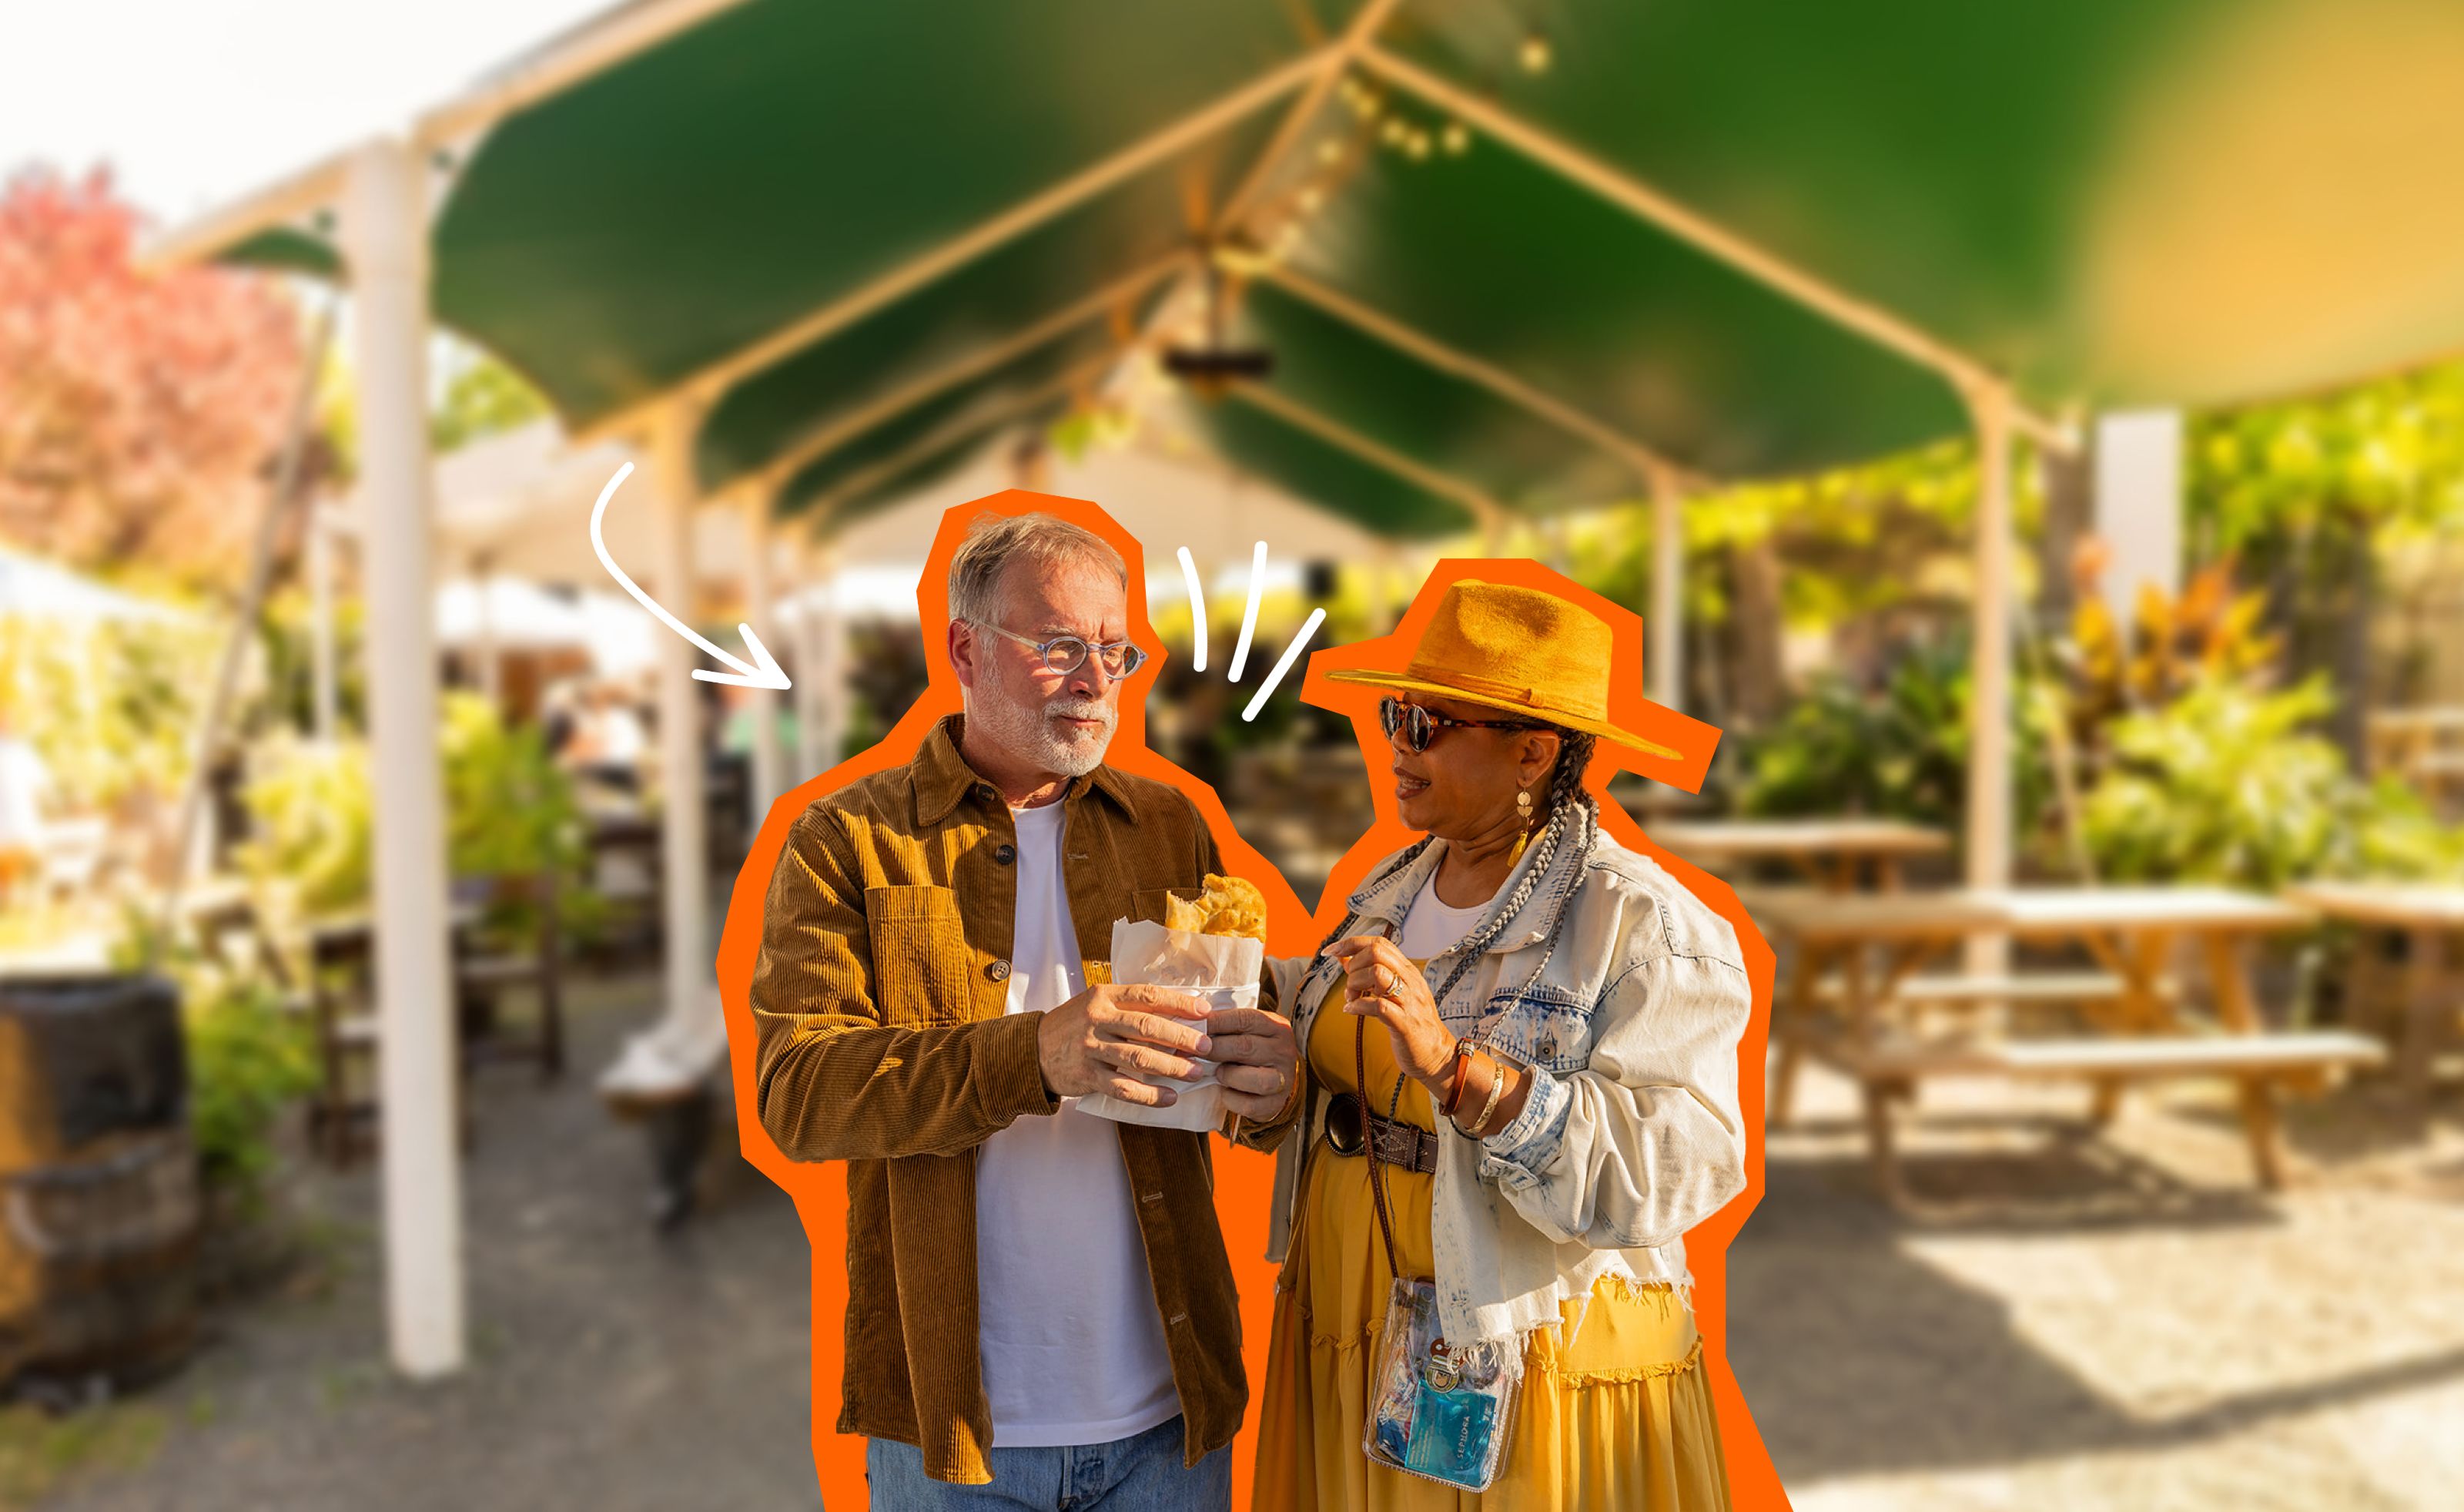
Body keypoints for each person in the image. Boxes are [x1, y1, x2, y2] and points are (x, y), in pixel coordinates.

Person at [750, 511, 1302, 1509]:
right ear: (963, 646)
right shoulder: (848, 838)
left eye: (1114, 649)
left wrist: (1269, 1089)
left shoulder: (1172, 825)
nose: (1096, 678)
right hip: (950, 1434)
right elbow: (798, 1093)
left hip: (1167, 1418)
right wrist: (1035, 1056)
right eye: (1059, 647)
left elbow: (1238, 1068)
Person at [1246, 578, 1749, 1510]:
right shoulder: (1392, 882)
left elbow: (1684, 1163)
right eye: (1395, 713)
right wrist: (1263, 1020)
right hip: (1354, 1319)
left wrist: (1460, 1072)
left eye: (1429, 723)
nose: (1395, 742)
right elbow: (1343, 1046)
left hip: (1525, 1345)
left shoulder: (1639, 920)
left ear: (1530, 752)